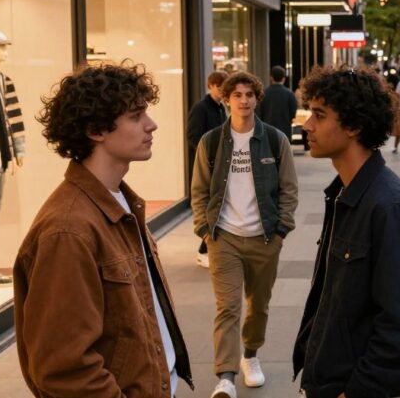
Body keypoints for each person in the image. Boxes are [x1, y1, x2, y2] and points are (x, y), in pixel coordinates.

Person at [16, 63, 192, 397]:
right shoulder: (68, 229)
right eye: (136, 116)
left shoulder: (119, 203)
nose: (151, 125)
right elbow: (64, 368)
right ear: (96, 130)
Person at [294, 66, 400, 397]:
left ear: (354, 126)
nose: (307, 125)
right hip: (327, 378)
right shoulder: (344, 192)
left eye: (319, 115)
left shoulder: (390, 208)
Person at [191, 71, 299, 398]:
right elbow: (199, 191)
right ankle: (225, 376)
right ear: (226, 99)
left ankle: (250, 355)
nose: (243, 100)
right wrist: (205, 231)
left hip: (264, 238)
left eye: (249, 94)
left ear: (257, 98)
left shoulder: (275, 140)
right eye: (236, 95)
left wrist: (281, 231)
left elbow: (289, 189)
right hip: (223, 238)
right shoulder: (211, 141)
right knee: (227, 307)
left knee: (258, 305)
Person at [187, 70, 229, 268]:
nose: (222, 91)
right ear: (211, 86)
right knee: (212, 208)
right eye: (219, 87)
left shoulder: (220, 108)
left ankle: (210, 249)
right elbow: (193, 136)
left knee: (219, 208)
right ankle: (203, 250)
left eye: (225, 87)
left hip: (220, 165)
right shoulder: (201, 108)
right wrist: (208, 158)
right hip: (207, 167)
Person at [258, 65, 299, 141]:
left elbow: (259, 113)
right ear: (283, 79)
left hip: (267, 131)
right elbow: (293, 112)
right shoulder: (289, 94)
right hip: (285, 131)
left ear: (271, 78)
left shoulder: (263, 93)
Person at [388, 73, 400, 153]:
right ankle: (396, 146)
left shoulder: (392, 94)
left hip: (394, 114)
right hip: (396, 114)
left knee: (398, 132)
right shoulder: (395, 94)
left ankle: (396, 146)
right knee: (398, 132)